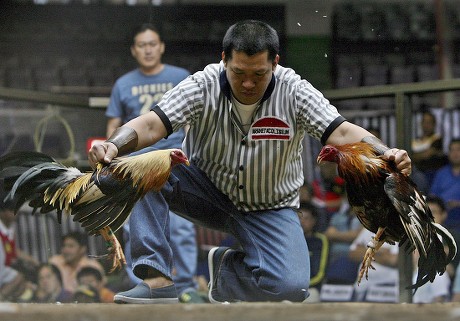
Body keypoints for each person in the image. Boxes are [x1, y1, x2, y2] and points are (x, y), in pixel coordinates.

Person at [88, 20, 412, 303]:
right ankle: (156, 280)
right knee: (146, 163)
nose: (247, 83)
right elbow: (150, 124)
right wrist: (113, 145)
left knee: (292, 286)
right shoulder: (202, 85)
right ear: (223, 60)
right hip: (205, 191)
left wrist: (387, 153)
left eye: (258, 74)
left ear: (275, 63)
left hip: (270, 207)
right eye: (238, 73)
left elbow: (341, 132)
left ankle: (226, 273)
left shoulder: (295, 91)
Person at [105, 22, 203, 304]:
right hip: (135, 166)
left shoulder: (181, 76)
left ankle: (184, 286)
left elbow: (192, 121)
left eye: (152, 44)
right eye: (142, 45)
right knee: (132, 226)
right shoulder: (123, 84)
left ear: (161, 47)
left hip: (174, 162)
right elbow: (114, 124)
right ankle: (145, 285)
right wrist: (113, 158)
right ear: (134, 51)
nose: (148, 49)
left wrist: (193, 156)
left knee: (182, 226)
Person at [411, 196, 451, 303]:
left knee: (438, 275)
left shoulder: (451, 238)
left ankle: (437, 311)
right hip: (415, 277)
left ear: (443, 215)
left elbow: (451, 268)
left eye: (433, 212)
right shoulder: (414, 236)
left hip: (439, 278)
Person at [348, 228, 399, 302]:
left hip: (387, 288)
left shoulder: (399, 231)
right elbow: (353, 253)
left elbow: (393, 260)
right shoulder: (369, 228)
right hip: (361, 288)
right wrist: (380, 252)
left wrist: (367, 250)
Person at [298, 202, 329, 303]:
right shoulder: (289, 239)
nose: (302, 222)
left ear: (313, 221)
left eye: (306, 218)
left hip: (311, 288)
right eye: (299, 218)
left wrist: (301, 286)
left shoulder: (320, 240)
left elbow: (320, 273)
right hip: (289, 288)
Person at [430, 138, 460, 234]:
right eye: (452, 150)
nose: (455, 153)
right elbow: (433, 197)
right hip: (443, 214)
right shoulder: (441, 173)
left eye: (458, 150)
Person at [411, 111, 448, 185]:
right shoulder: (415, 140)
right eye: (424, 121)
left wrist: (414, 156)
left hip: (429, 174)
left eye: (429, 122)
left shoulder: (437, 139)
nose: (426, 125)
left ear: (434, 124)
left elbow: (426, 154)